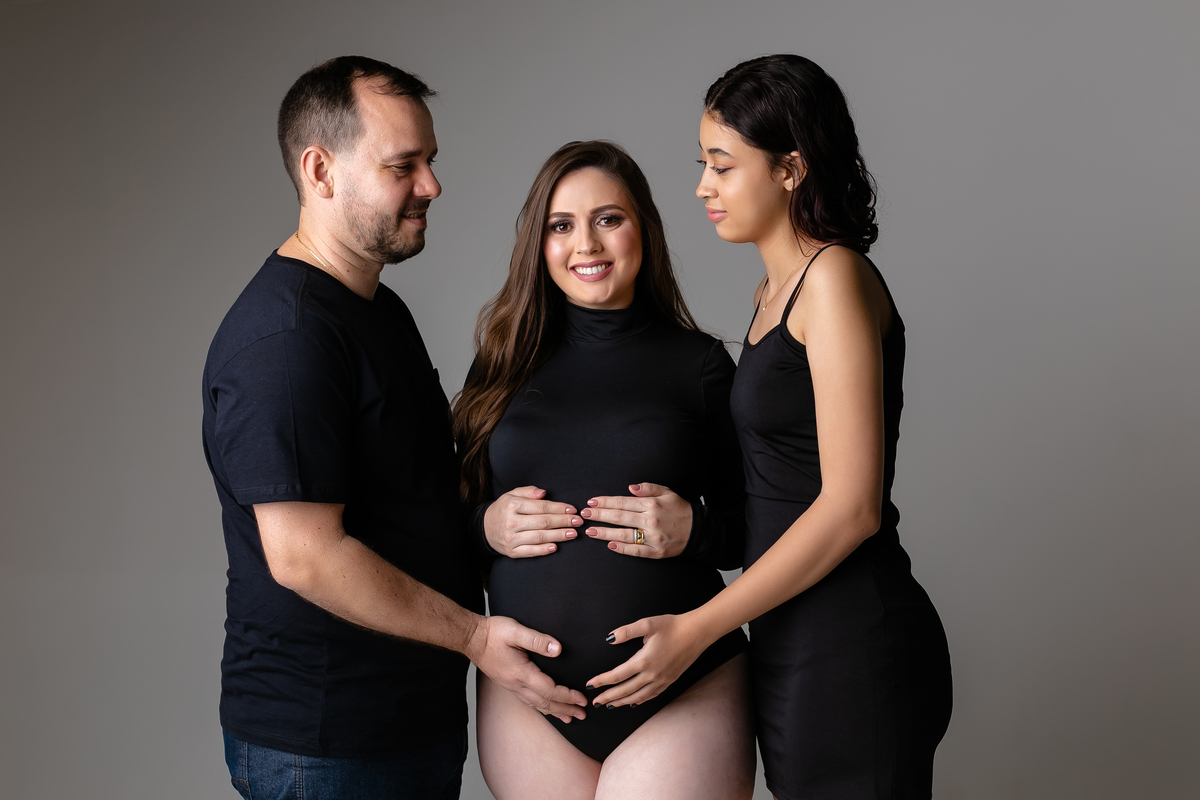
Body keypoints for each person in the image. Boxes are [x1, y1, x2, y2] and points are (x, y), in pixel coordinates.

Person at [200, 55, 586, 800]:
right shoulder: (287, 340)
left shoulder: (377, 308)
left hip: (406, 723)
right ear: (321, 171)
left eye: (430, 161)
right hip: (327, 744)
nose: (431, 185)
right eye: (403, 166)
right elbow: (305, 556)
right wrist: (474, 637)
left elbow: (412, 494)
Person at [586, 55, 954, 799]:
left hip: (851, 635)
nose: (703, 186)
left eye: (722, 166)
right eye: (702, 164)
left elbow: (851, 508)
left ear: (790, 169)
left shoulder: (834, 279)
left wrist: (696, 628)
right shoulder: (771, 293)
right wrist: (694, 527)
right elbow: (777, 483)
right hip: (791, 634)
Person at [453, 140, 756, 800]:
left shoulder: (701, 365)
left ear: (643, 227)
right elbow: (441, 525)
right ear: (539, 243)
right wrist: (486, 527)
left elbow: (763, 533)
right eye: (561, 225)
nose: (585, 244)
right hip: (529, 694)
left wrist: (697, 529)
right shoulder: (501, 363)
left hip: (681, 684)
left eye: (608, 219)